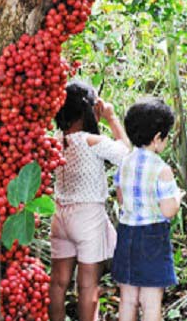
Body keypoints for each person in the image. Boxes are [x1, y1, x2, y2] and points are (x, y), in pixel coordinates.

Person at [50, 82, 131, 321]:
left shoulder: (56, 141)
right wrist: (112, 117)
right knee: (87, 287)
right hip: (88, 219)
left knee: (57, 284)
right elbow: (127, 156)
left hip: (60, 217)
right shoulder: (91, 142)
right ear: (89, 109)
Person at [111, 98, 183, 321]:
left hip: (126, 234)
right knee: (151, 301)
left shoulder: (124, 162)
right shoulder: (162, 169)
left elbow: (121, 198)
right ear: (157, 138)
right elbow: (169, 210)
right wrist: (178, 198)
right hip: (152, 237)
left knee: (128, 298)